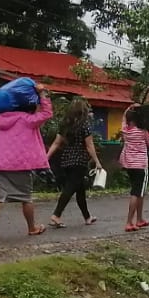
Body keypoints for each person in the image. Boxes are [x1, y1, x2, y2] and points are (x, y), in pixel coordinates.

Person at [0, 88, 54, 238]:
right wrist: (42, 95)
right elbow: (47, 113)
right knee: (26, 197)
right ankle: (32, 228)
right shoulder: (27, 120)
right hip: (20, 165)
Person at [46, 97, 102, 228]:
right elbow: (89, 145)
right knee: (70, 188)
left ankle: (87, 217)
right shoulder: (84, 125)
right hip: (80, 161)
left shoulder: (65, 124)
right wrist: (97, 161)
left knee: (80, 188)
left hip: (66, 160)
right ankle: (56, 215)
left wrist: (46, 157)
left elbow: (56, 143)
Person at [120, 105, 149, 231]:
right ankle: (129, 222)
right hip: (141, 165)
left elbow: (123, 119)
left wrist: (129, 108)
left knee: (139, 192)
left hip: (129, 165)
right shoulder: (142, 131)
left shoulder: (126, 130)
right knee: (136, 193)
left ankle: (139, 219)